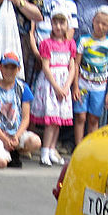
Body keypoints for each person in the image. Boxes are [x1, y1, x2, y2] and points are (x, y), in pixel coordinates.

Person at [32, 12, 75, 166]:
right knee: (51, 120)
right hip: (51, 83)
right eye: (55, 23)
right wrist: (56, 87)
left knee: (58, 120)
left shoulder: (70, 44)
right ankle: (44, 150)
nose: (58, 27)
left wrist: (66, 86)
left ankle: (52, 149)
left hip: (64, 83)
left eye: (61, 23)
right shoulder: (46, 43)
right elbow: (45, 67)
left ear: (67, 25)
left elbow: (72, 67)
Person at [0, 52, 41, 169]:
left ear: (18, 69)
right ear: (0, 68)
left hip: (16, 132)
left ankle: (15, 151)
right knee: (1, 164)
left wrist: (16, 136)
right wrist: (4, 139)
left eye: (13, 68)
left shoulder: (23, 89)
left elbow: (25, 118)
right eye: (6, 67)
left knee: (36, 141)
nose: (9, 71)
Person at [73, 6, 108, 145]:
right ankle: (79, 146)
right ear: (93, 21)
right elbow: (76, 64)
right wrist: (75, 86)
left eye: (104, 24)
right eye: (97, 22)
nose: (100, 26)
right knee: (80, 116)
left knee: (94, 118)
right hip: (83, 84)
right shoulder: (83, 40)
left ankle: (90, 147)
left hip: (99, 87)